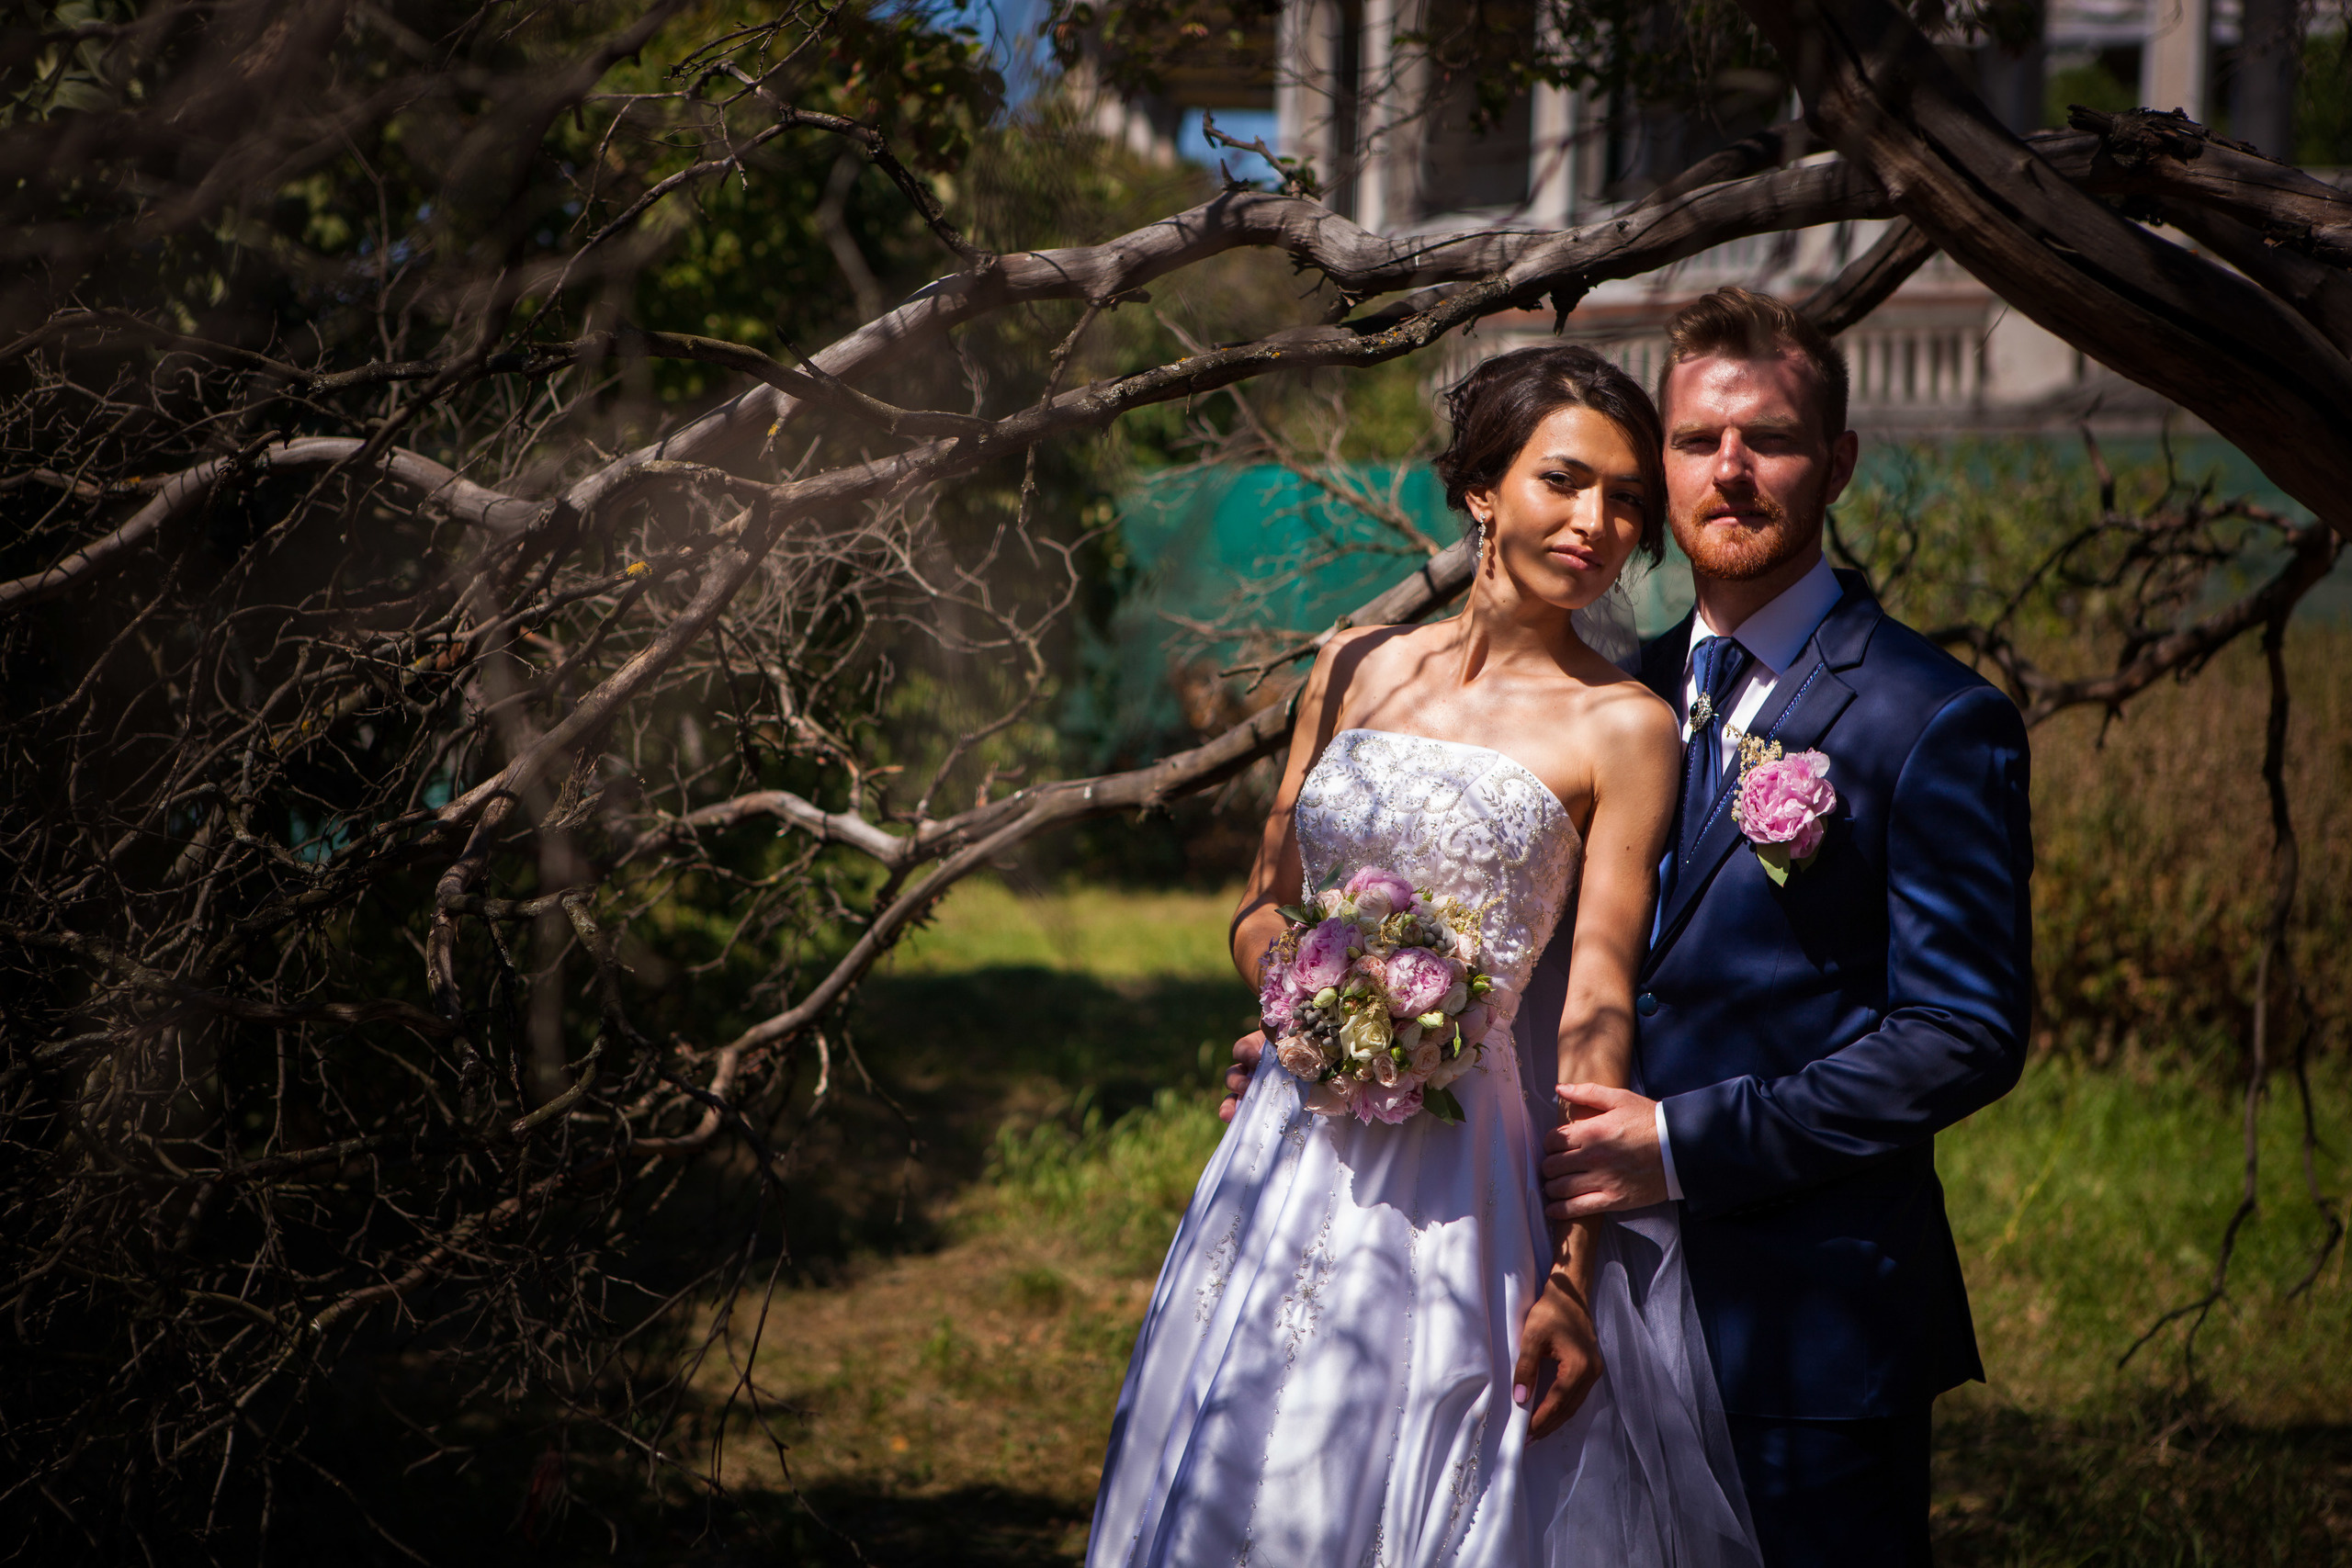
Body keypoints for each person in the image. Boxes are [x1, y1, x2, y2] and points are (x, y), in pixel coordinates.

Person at [1093, 345, 1763, 1568]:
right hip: (1288, 1147)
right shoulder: (1351, 662)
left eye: (1624, 500)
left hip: (1468, 1174)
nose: (1596, 521)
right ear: (1481, 491)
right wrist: (1312, 992)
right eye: (1564, 481)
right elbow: (1263, 903)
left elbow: (1598, 1002)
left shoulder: (1625, 726)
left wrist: (1573, 1268)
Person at [1526, 287, 2034, 1564]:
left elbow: (1963, 1033)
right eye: (1698, 442)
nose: (1732, 471)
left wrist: (1685, 1144)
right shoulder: (1604, 694)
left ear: (1840, 462)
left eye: (1773, 440)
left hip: (1809, 1333)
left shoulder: (1928, 716)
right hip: (1569, 1293)